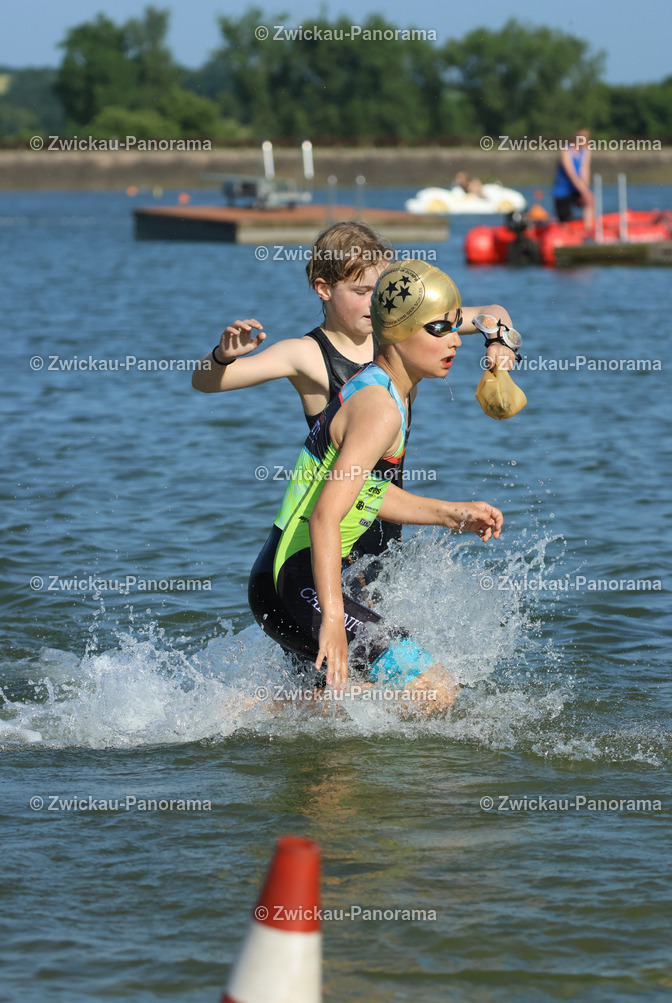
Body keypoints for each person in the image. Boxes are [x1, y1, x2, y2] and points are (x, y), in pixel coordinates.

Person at [247, 260, 505, 701]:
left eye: (454, 327)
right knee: (433, 691)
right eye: (439, 329)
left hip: (290, 579)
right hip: (293, 582)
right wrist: (333, 618)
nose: (456, 340)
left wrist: (450, 514)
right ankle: (262, 711)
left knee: (366, 713)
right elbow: (325, 517)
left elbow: (364, 493)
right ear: (398, 332)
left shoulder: (386, 387)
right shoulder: (379, 409)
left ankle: (279, 711)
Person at [192, 221, 516, 569]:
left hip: (385, 535)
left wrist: (500, 341)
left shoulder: (401, 335)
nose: (374, 302)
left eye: (381, 292)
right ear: (324, 289)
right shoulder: (306, 355)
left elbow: (494, 313)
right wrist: (222, 355)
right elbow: (205, 382)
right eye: (361, 291)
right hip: (326, 539)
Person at [552, 128, 594, 230]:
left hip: (577, 189)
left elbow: (585, 172)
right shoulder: (566, 151)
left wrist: (586, 191)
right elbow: (572, 174)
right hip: (562, 191)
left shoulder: (586, 151)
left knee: (590, 200)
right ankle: (564, 232)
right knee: (565, 220)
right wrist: (584, 192)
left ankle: (588, 229)